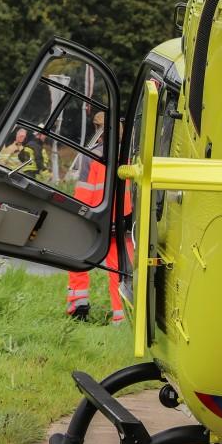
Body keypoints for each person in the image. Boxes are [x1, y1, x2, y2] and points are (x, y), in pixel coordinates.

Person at [65, 110, 125, 323]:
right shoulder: (128, 155)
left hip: (95, 218)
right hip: (123, 220)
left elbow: (84, 191)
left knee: (78, 255)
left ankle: (78, 305)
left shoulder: (91, 156)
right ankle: (122, 316)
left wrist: (78, 216)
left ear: (98, 130)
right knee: (120, 269)